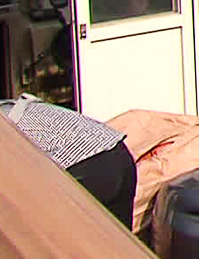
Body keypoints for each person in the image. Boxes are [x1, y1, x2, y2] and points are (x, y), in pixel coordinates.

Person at [1, 95, 137, 228]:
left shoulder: (6, 121)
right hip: (117, 152)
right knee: (116, 246)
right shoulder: (10, 110)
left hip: (84, 163)